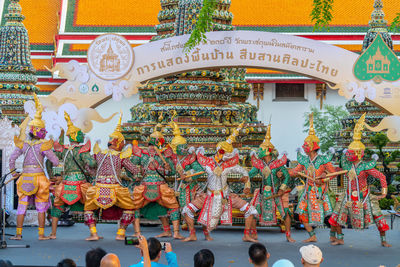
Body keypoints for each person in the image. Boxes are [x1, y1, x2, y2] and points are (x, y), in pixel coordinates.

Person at [328, 113, 391, 247]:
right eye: (349, 151)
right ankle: (338, 238)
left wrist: (384, 192)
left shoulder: (365, 166)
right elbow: (338, 172)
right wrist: (326, 178)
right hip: (348, 195)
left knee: (378, 217)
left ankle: (384, 240)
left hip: (364, 196)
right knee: (336, 217)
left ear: (359, 153)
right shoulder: (346, 165)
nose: (349, 154)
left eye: (352, 152)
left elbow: (381, 176)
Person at [9, 93, 59, 240]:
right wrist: (57, 167)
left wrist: (13, 173)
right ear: (40, 131)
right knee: (41, 206)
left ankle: (18, 234)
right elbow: (55, 161)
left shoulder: (23, 144)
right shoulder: (43, 145)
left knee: (22, 206)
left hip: (25, 178)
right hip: (40, 179)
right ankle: (41, 234)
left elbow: (12, 159)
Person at [84, 113, 140, 241]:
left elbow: (89, 168)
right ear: (120, 143)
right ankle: (120, 233)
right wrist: (135, 176)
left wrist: (95, 174)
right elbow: (134, 170)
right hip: (115, 188)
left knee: (88, 208)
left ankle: (94, 234)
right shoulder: (121, 156)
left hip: (97, 188)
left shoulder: (98, 153)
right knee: (130, 208)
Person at [289, 113, 337, 243]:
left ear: (312, 146)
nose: (304, 147)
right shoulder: (304, 161)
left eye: (306, 144)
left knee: (330, 216)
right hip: (307, 191)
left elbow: (334, 174)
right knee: (301, 214)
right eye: (304, 144)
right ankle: (312, 235)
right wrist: (286, 172)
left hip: (320, 192)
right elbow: (294, 172)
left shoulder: (323, 160)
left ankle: (335, 235)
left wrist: (323, 177)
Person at [49, 111, 97, 239]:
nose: (82, 135)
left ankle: (53, 234)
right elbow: (92, 163)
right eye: (80, 134)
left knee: (57, 207)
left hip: (65, 184)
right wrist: (95, 159)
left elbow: (52, 158)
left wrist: (51, 173)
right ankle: (93, 233)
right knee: (89, 206)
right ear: (75, 135)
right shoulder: (82, 150)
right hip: (80, 184)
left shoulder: (63, 150)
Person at [131, 124, 183, 239]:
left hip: (153, 186)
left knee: (171, 206)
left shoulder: (159, 155)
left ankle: (172, 232)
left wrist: (168, 169)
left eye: (153, 145)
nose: (151, 148)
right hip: (152, 186)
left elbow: (171, 172)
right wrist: (137, 175)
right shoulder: (146, 154)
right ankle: (138, 233)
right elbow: (132, 166)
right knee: (134, 206)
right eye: (151, 145)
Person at [249, 124, 294, 242]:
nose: (259, 151)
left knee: (285, 214)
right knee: (253, 212)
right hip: (263, 193)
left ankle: (288, 235)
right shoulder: (260, 165)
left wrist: (281, 189)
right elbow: (250, 174)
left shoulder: (278, 164)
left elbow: (287, 177)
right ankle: (253, 234)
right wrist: (244, 177)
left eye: (261, 149)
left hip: (277, 193)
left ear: (267, 151)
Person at [168, 120, 204, 235]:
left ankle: (190, 224)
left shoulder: (190, 158)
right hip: (177, 185)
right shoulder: (173, 159)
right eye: (181, 146)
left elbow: (200, 170)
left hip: (189, 185)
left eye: (185, 146)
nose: (184, 148)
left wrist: (187, 174)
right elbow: (172, 172)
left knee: (187, 203)